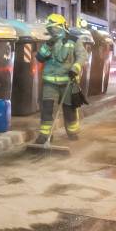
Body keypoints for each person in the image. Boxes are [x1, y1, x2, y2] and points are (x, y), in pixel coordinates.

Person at [34, 13, 82, 144]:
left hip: (68, 82)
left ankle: (72, 133)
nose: (51, 31)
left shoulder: (74, 40)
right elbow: (39, 58)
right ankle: (45, 136)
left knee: (69, 110)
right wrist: (47, 46)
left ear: (62, 27)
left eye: (54, 28)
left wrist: (75, 68)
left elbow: (81, 56)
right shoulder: (49, 42)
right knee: (47, 109)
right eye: (50, 29)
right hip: (50, 83)